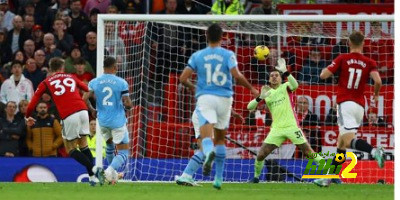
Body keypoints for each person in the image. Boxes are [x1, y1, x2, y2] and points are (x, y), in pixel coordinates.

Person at [179, 23, 258, 189]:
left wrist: (196, 88)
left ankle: (188, 173)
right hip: (224, 101)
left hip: (205, 103)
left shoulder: (198, 55)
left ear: (206, 36)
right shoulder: (228, 54)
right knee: (217, 141)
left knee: (206, 143)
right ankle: (215, 178)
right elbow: (237, 76)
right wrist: (251, 88)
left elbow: (183, 78)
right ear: (223, 37)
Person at [315, 31, 384, 187]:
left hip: (345, 103)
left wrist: (332, 69)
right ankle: (329, 178)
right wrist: (376, 94)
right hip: (360, 106)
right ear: (363, 43)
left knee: (347, 141)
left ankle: (374, 151)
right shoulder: (369, 61)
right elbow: (378, 81)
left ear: (348, 43)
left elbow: (323, 75)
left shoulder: (343, 58)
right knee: (340, 145)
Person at [25, 57, 104, 186]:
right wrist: (90, 107)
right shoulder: (71, 77)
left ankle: (95, 170)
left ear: (50, 69)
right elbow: (87, 88)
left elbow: (31, 104)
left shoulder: (46, 82)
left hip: (69, 114)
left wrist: (28, 116)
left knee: (70, 148)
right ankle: (92, 178)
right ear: (62, 68)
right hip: (83, 111)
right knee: (83, 145)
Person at [246, 58, 323, 184]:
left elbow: (295, 85)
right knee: (261, 155)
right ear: (269, 80)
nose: (275, 77)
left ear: (281, 78)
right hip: (276, 129)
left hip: (292, 127)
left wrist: (286, 71)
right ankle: (255, 178)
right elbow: (249, 107)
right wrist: (260, 97)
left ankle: (331, 174)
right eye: (272, 76)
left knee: (309, 152)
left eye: (277, 75)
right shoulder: (267, 93)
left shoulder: (286, 87)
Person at [83, 56, 133, 184]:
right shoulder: (121, 82)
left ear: (103, 67)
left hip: (103, 121)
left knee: (110, 146)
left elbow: (84, 98)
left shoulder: (94, 82)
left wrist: (92, 109)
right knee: (123, 151)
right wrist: (129, 106)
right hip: (117, 121)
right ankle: (108, 172)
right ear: (115, 67)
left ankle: (113, 176)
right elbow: (127, 103)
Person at [175, 110, 244, 186]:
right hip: (206, 115)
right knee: (206, 149)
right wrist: (235, 114)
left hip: (199, 113)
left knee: (204, 148)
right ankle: (185, 176)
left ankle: (187, 175)